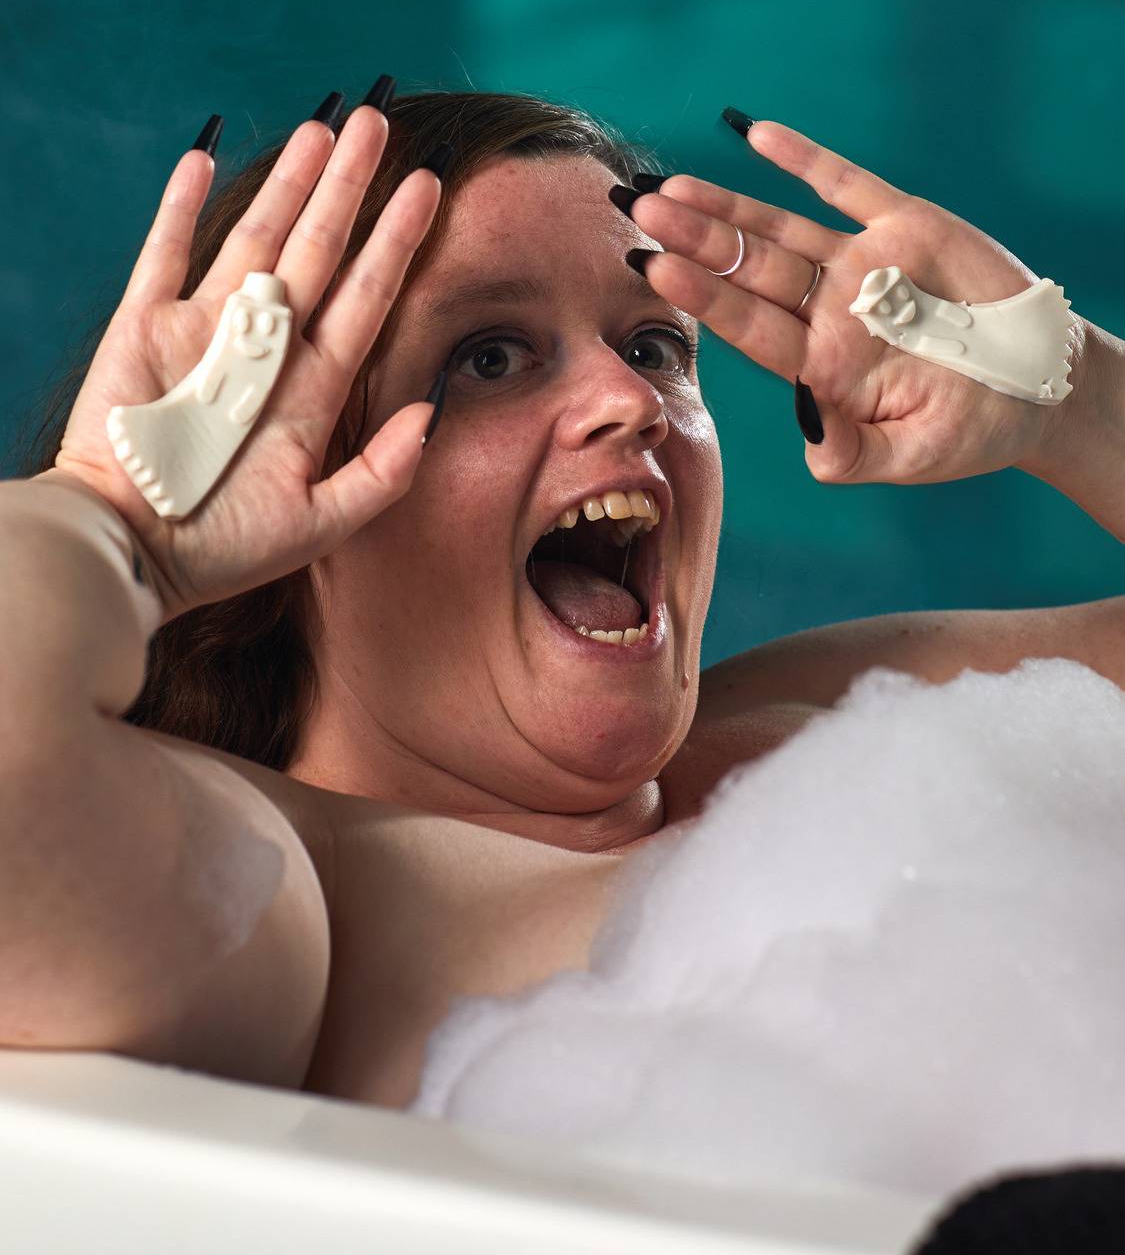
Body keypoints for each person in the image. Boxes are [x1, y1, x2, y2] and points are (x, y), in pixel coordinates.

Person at [2, 85, 1122, 1110]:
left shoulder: (849, 729)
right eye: (488, 357)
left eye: (654, 345)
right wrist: (116, 511)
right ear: (287, 493)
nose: (632, 400)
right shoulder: (310, 902)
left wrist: (1076, 393)